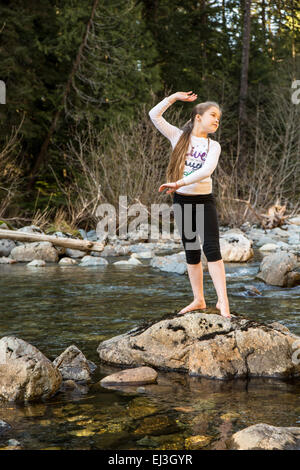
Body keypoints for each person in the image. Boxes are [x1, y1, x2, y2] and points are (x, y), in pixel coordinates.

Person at [149, 91, 231, 319]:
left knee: (212, 249)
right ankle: (199, 299)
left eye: (219, 118)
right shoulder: (177, 137)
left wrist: (179, 182)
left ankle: (223, 302)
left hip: (204, 201)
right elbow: (154, 115)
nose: (217, 120)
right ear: (198, 117)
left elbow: (207, 171)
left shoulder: (213, 146)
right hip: (182, 201)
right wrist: (173, 98)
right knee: (191, 250)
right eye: (213, 115)